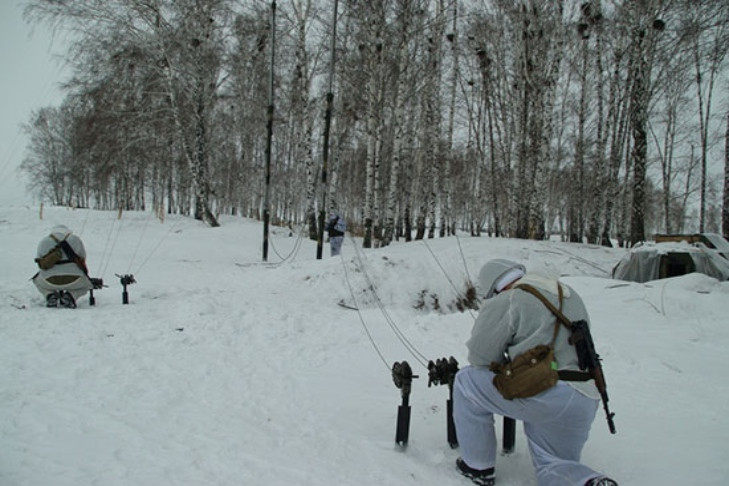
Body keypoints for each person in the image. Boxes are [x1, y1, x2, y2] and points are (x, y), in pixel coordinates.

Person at [453, 258, 616, 486]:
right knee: (553, 465)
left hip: (544, 392)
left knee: (466, 382)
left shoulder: (509, 299)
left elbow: (480, 359)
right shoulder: (567, 292)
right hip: (584, 396)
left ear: (494, 288)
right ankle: (589, 482)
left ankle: (478, 467)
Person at [32, 224, 95, 308]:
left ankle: (50, 295)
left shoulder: (44, 241)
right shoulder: (75, 239)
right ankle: (70, 296)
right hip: (75, 279)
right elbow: (82, 257)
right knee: (87, 285)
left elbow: (40, 262)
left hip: (48, 280)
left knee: (36, 281)